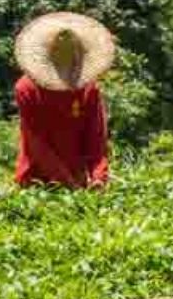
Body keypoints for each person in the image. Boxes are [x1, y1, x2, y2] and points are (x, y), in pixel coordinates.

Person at [13, 11, 113, 190]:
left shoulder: (88, 88)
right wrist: (67, 182)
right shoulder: (27, 88)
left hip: (77, 180)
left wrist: (98, 176)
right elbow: (36, 144)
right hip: (35, 182)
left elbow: (96, 137)